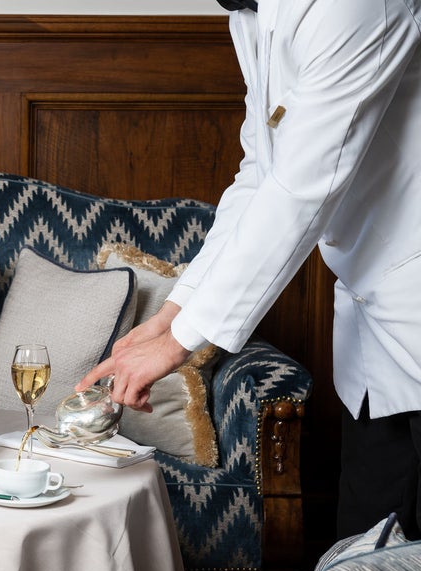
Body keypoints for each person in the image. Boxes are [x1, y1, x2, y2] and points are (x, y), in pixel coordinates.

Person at [77, 0, 421, 540]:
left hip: (414, 309)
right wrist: (171, 313)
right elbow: (261, 173)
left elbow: (301, 190)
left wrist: (181, 343)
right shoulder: (251, 12)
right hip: (375, 339)